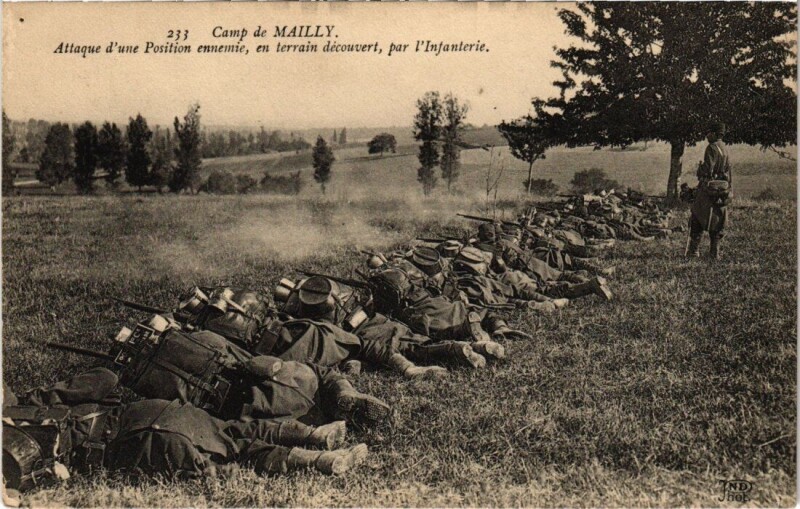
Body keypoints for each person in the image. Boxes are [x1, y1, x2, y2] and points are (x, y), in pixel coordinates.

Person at [2, 368, 369, 502]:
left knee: (236, 449)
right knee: (235, 435)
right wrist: (48, 397)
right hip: (150, 421)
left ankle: (321, 456)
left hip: (141, 439)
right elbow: (107, 379)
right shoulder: (29, 414)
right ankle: (317, 443)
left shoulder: (19, 429)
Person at [687, 121, 732, 259]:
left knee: (697, 216)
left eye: (709, 132)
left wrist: (700, 169)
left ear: (715, 134)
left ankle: (693, 252)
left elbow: (707, 170)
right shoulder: (724, 148)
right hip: (721, 188)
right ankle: (715, 253)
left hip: (708, 188)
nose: (707, 135)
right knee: (717, 220)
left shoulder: (711, 148)